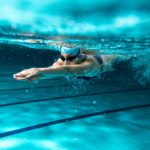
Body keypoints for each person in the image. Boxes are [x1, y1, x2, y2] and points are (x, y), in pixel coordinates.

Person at [13, 46, 119, 81]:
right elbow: (52, 71)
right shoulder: (61, 62)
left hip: (107, 59)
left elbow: (67, 70)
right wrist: (33, 75)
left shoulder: (89, 63)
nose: (65, 62)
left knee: (119, 56)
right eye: (62, 57)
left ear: (80, 56)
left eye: (71, 58)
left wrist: (39, 70)